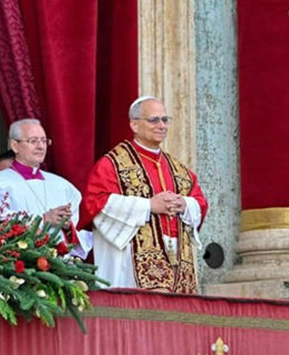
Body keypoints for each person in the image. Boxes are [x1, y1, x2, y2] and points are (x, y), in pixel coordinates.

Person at [80, 96, 208, 293]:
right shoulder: (112, 164)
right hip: (131, 257)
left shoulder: (179, 169)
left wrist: (184, 204)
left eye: (165, 120)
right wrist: (148, 206)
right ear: (134, 124)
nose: (161, 125)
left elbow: (200, 202)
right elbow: (95, 203)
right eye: (154, 120)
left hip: (177, 258)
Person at [0, 119, 89, 256]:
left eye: (44, 141)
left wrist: (67, 226)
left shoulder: (63, 186)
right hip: (17, 268)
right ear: (15, 145)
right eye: (33, 141)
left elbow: (84, 227)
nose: (40, 146)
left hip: (62, 268)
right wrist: (43, 219)